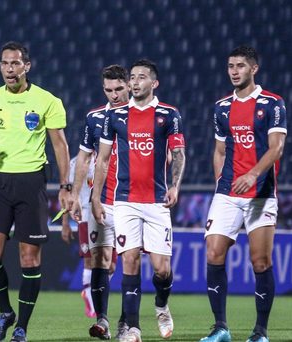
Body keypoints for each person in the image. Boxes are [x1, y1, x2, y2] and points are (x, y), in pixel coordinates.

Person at [0, 41, 71, 342]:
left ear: (27, 66)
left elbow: (60, 145)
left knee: (28, 259)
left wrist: (66, 186)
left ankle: (21, 326)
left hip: (31, 182)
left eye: (15, 63)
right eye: (4, 63)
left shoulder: (48, 100)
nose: (9, 69)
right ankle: (5, 311)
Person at [91, 59, 186, 342]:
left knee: (162, 269)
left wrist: (175, 186)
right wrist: (96, 197)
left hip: (157, 201)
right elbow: (103, 160)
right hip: (125, 201)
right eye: (132, 77)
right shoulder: (116, 116)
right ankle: (132, 328)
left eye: (141, 77)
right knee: (130, 261)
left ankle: (161, 304)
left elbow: (179, 153)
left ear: (154, 83)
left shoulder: (168, 114)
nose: (134, 82)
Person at [199, 46, 287, 342]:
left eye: (239, 66)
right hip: (227, 193)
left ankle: (260, 332)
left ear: (253, 69)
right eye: (230, 66)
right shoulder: (221, 107)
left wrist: (252, 174)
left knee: (260, 261)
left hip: (260, 194)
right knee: (213, 253)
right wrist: (219, 187)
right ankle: (220, 328)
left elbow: (276, 148)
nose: (234, 71)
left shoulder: (273, 103)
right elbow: (220, 150)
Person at [68, 64, 128, 340]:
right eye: (108, 90)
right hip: (101, 200)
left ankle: (127, 321)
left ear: (128, 85)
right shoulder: (94, 117)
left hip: (134, 200)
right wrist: (74, 193)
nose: (114, 95)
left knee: (130, 262)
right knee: (100, 258)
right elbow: (83, 158)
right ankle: (102, 320)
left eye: (118, 89)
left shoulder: (142, 116)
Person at [61, 155, 96, 319]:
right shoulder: (74, 164)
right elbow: (66, 196)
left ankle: (93, 290)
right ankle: (89, 296)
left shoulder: (109, 156)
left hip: (106, 216)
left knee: (110, 266)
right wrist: (65, 223)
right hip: (85, 217)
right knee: (89, 259)